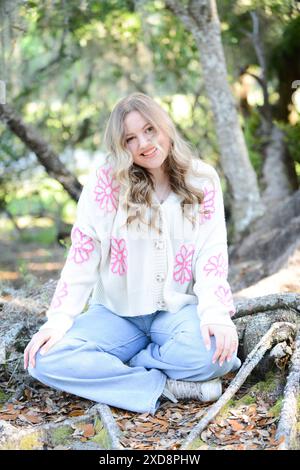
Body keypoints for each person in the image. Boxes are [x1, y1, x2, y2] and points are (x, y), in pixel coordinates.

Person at [24, 92, 241, 415]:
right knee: (43, 359)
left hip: (174, 313)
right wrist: (57, 321)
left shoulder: (202, 179)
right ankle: (163, 385)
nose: (144, 143)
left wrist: (215, 314)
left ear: (164, 126)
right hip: (115, 315)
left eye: (150, 130)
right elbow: (83, 256)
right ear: (120, 146)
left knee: (215, 355)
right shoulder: (106, 184)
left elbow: (210, 256)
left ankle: (129, 363)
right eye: (130, 138)